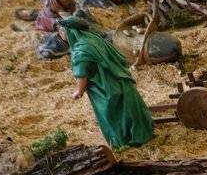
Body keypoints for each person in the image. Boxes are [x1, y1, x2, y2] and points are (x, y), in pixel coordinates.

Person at [59, 14, 154, 149]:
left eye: (61, 31)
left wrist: (79, 91)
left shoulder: (81, 48)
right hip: (120, 79)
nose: (60, 34)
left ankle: (124, 141)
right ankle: (142, 133)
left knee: (113, 114)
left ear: (70, 32)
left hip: (105, 88)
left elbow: (82, 72)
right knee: (130, 110)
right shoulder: (94, 38)